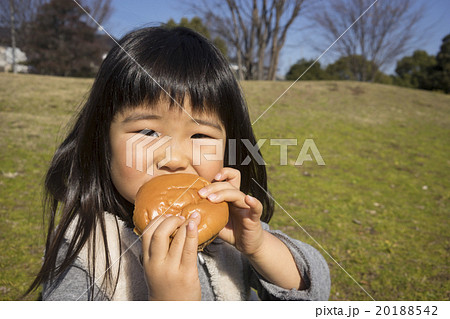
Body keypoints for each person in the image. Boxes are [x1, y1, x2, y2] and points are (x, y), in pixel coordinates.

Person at [26, 26, 330, 301]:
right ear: (102, 141)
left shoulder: (226, 230)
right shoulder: (88, 249)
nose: (174, 159)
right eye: (147, 132)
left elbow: (313, 291)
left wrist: (258, 246)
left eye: (200, 134)